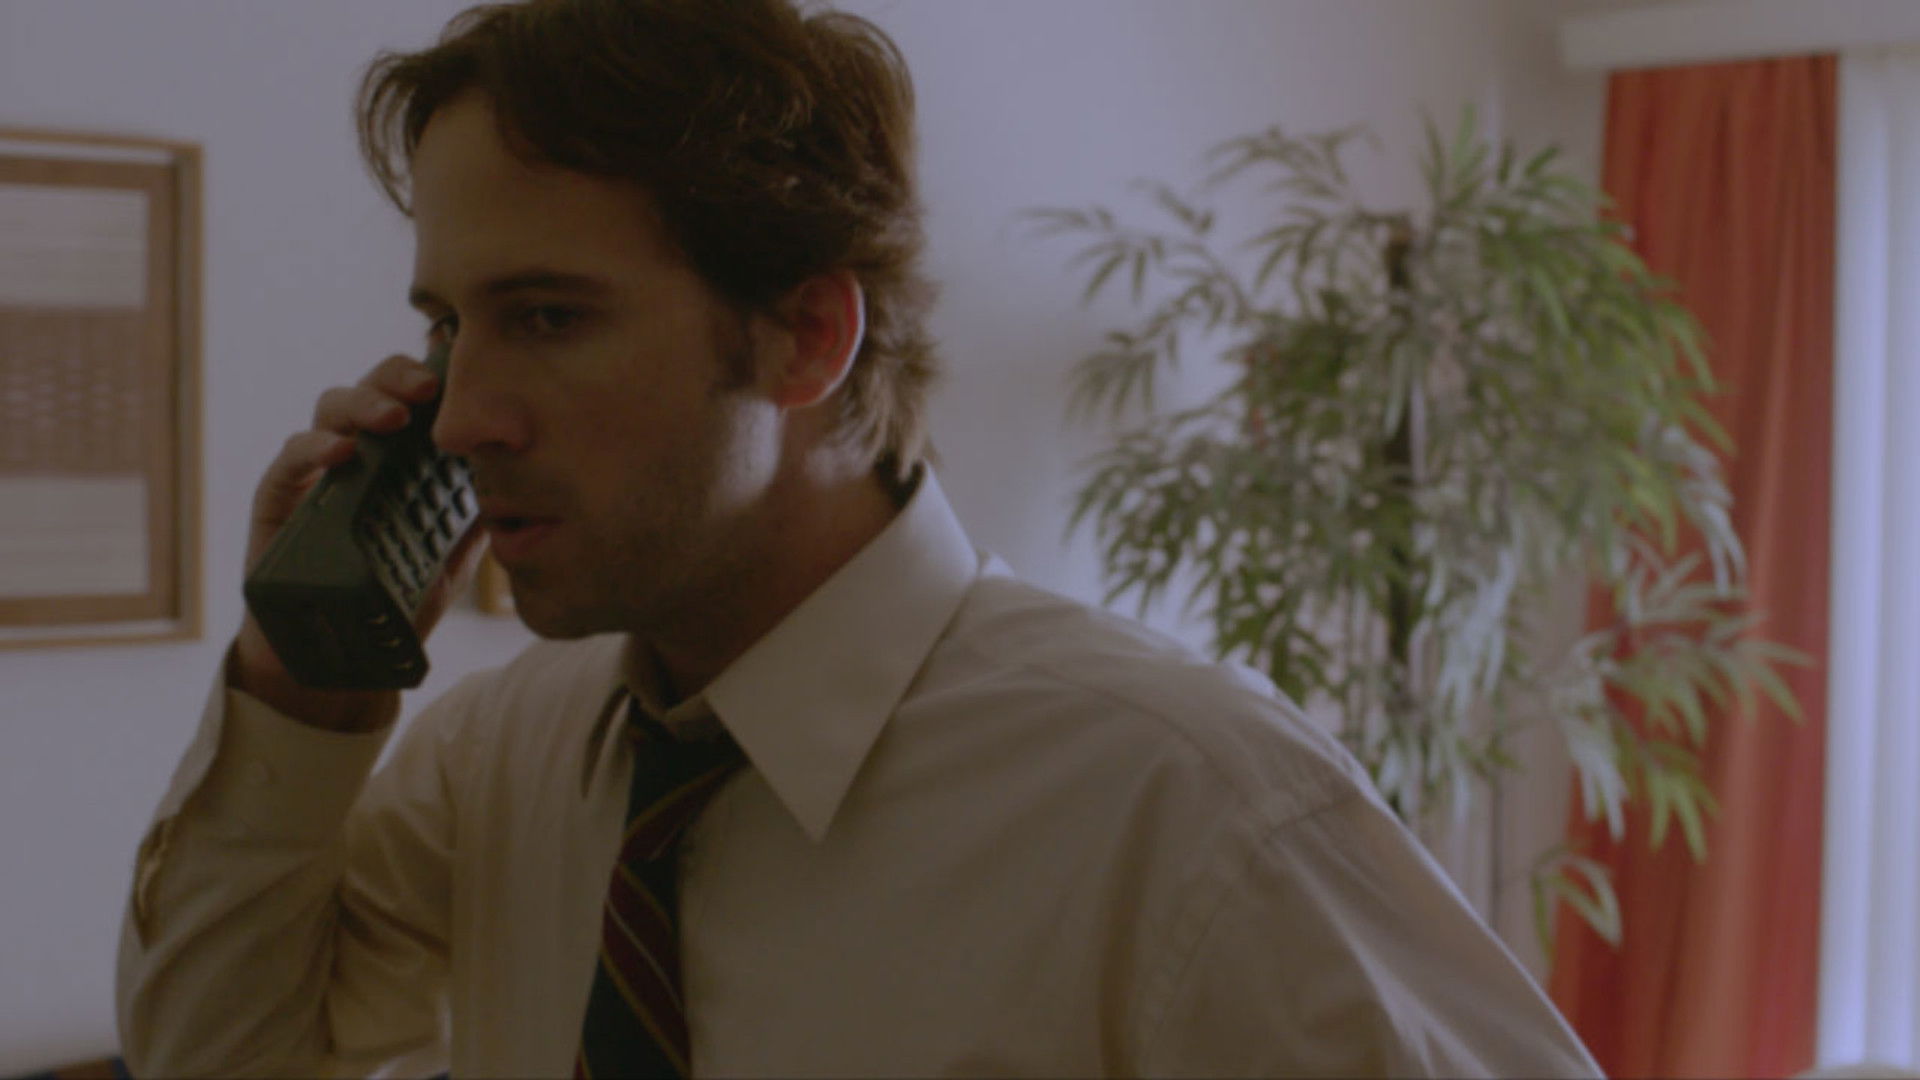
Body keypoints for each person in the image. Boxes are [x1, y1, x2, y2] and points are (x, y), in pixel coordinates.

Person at [115, 1, 1604, 1076]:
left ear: (807, 335)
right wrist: (301, 678)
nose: (459, 418)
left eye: (549, 317)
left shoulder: (1192, 811)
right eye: (450, 325)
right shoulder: (501, 763)